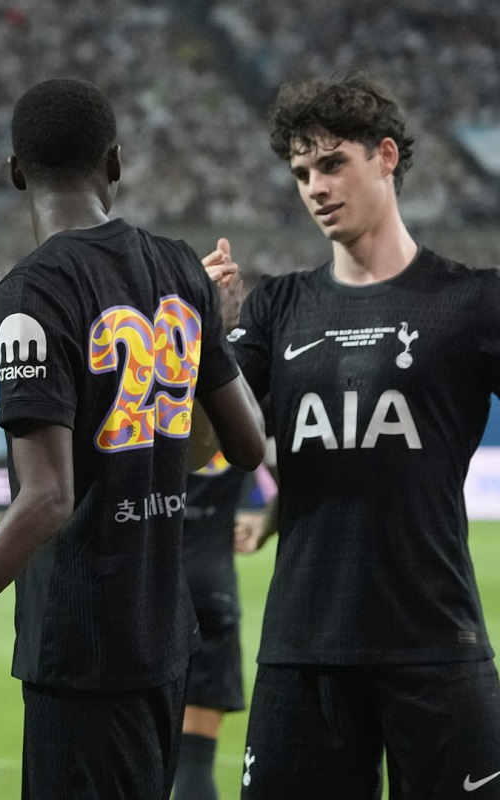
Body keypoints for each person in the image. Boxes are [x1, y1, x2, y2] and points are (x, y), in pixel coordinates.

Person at [0, 77, 265, 800]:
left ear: (17, 172)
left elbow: (48, 498)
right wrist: (206, 333)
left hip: (80, 647)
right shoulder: (181, 269)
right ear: (116, 163)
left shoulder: (33, 290)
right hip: (166, 639)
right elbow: (247, 446)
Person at [231, 74, 500, 799]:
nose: (315, 186)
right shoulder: (276, 307)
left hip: (437, 648)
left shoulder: (472, 301)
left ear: (385, 156)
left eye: (331, 163)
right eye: (300, 173)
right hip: (303, 651)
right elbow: (202, 450)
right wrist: (195, 350)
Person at [173, 453, 251, 800]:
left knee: (129, 756)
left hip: (147, 588)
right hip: (212, 588)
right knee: (195, 760)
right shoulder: (238, 401)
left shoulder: (142, 398)